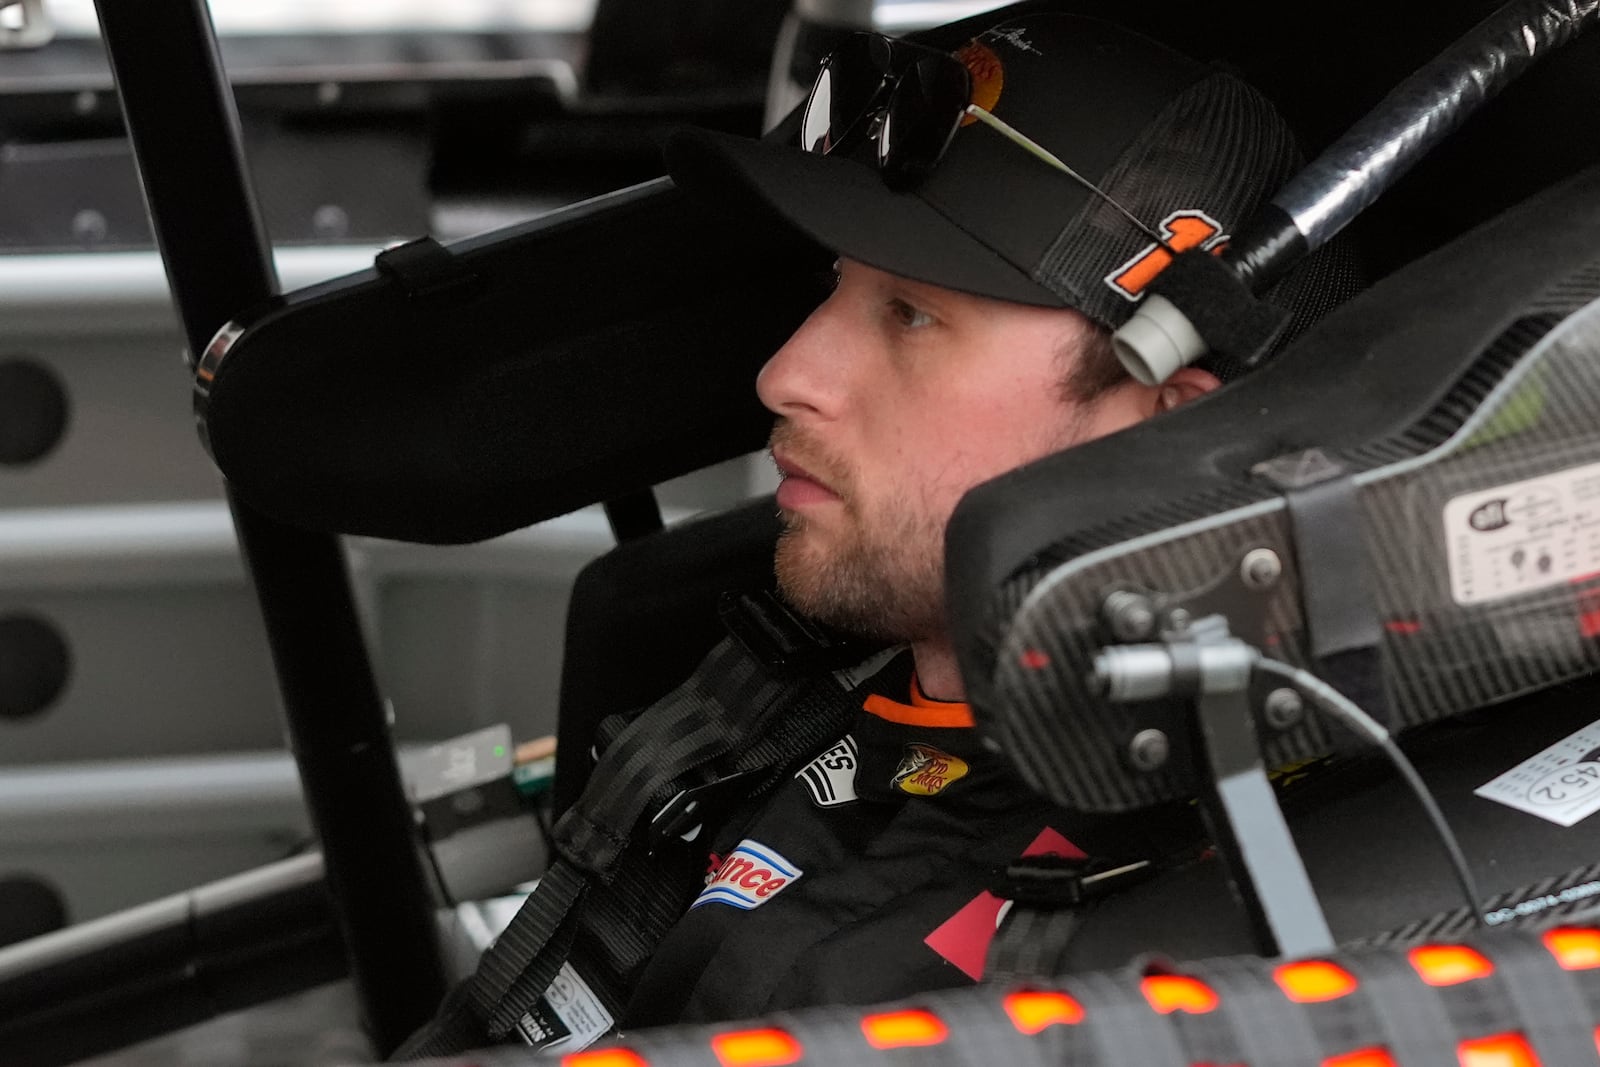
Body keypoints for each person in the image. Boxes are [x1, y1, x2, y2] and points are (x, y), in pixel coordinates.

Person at [398, 9, 1363, 1055]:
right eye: (835, 287)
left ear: (1166, 420)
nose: (785, 374)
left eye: (910, 313)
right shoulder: (783, 665)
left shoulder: (1183, 933)